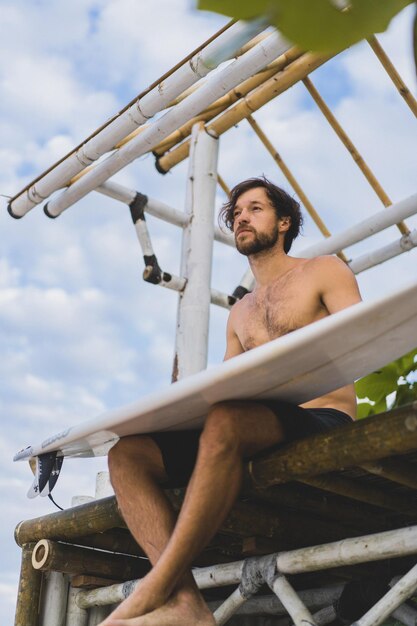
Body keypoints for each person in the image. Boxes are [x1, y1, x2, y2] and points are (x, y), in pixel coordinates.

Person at [101, 177, 362, 626]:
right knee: (127, 453)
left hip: (322, 418)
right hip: (251, 424)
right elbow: (225, 387)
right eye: (237, 211)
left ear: (283, 222)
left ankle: (155, 587)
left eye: (255, 209)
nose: (241, 216)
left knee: (226, 420)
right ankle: (186, 603)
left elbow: (361, 343)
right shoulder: (239, 313)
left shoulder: (324, 270)